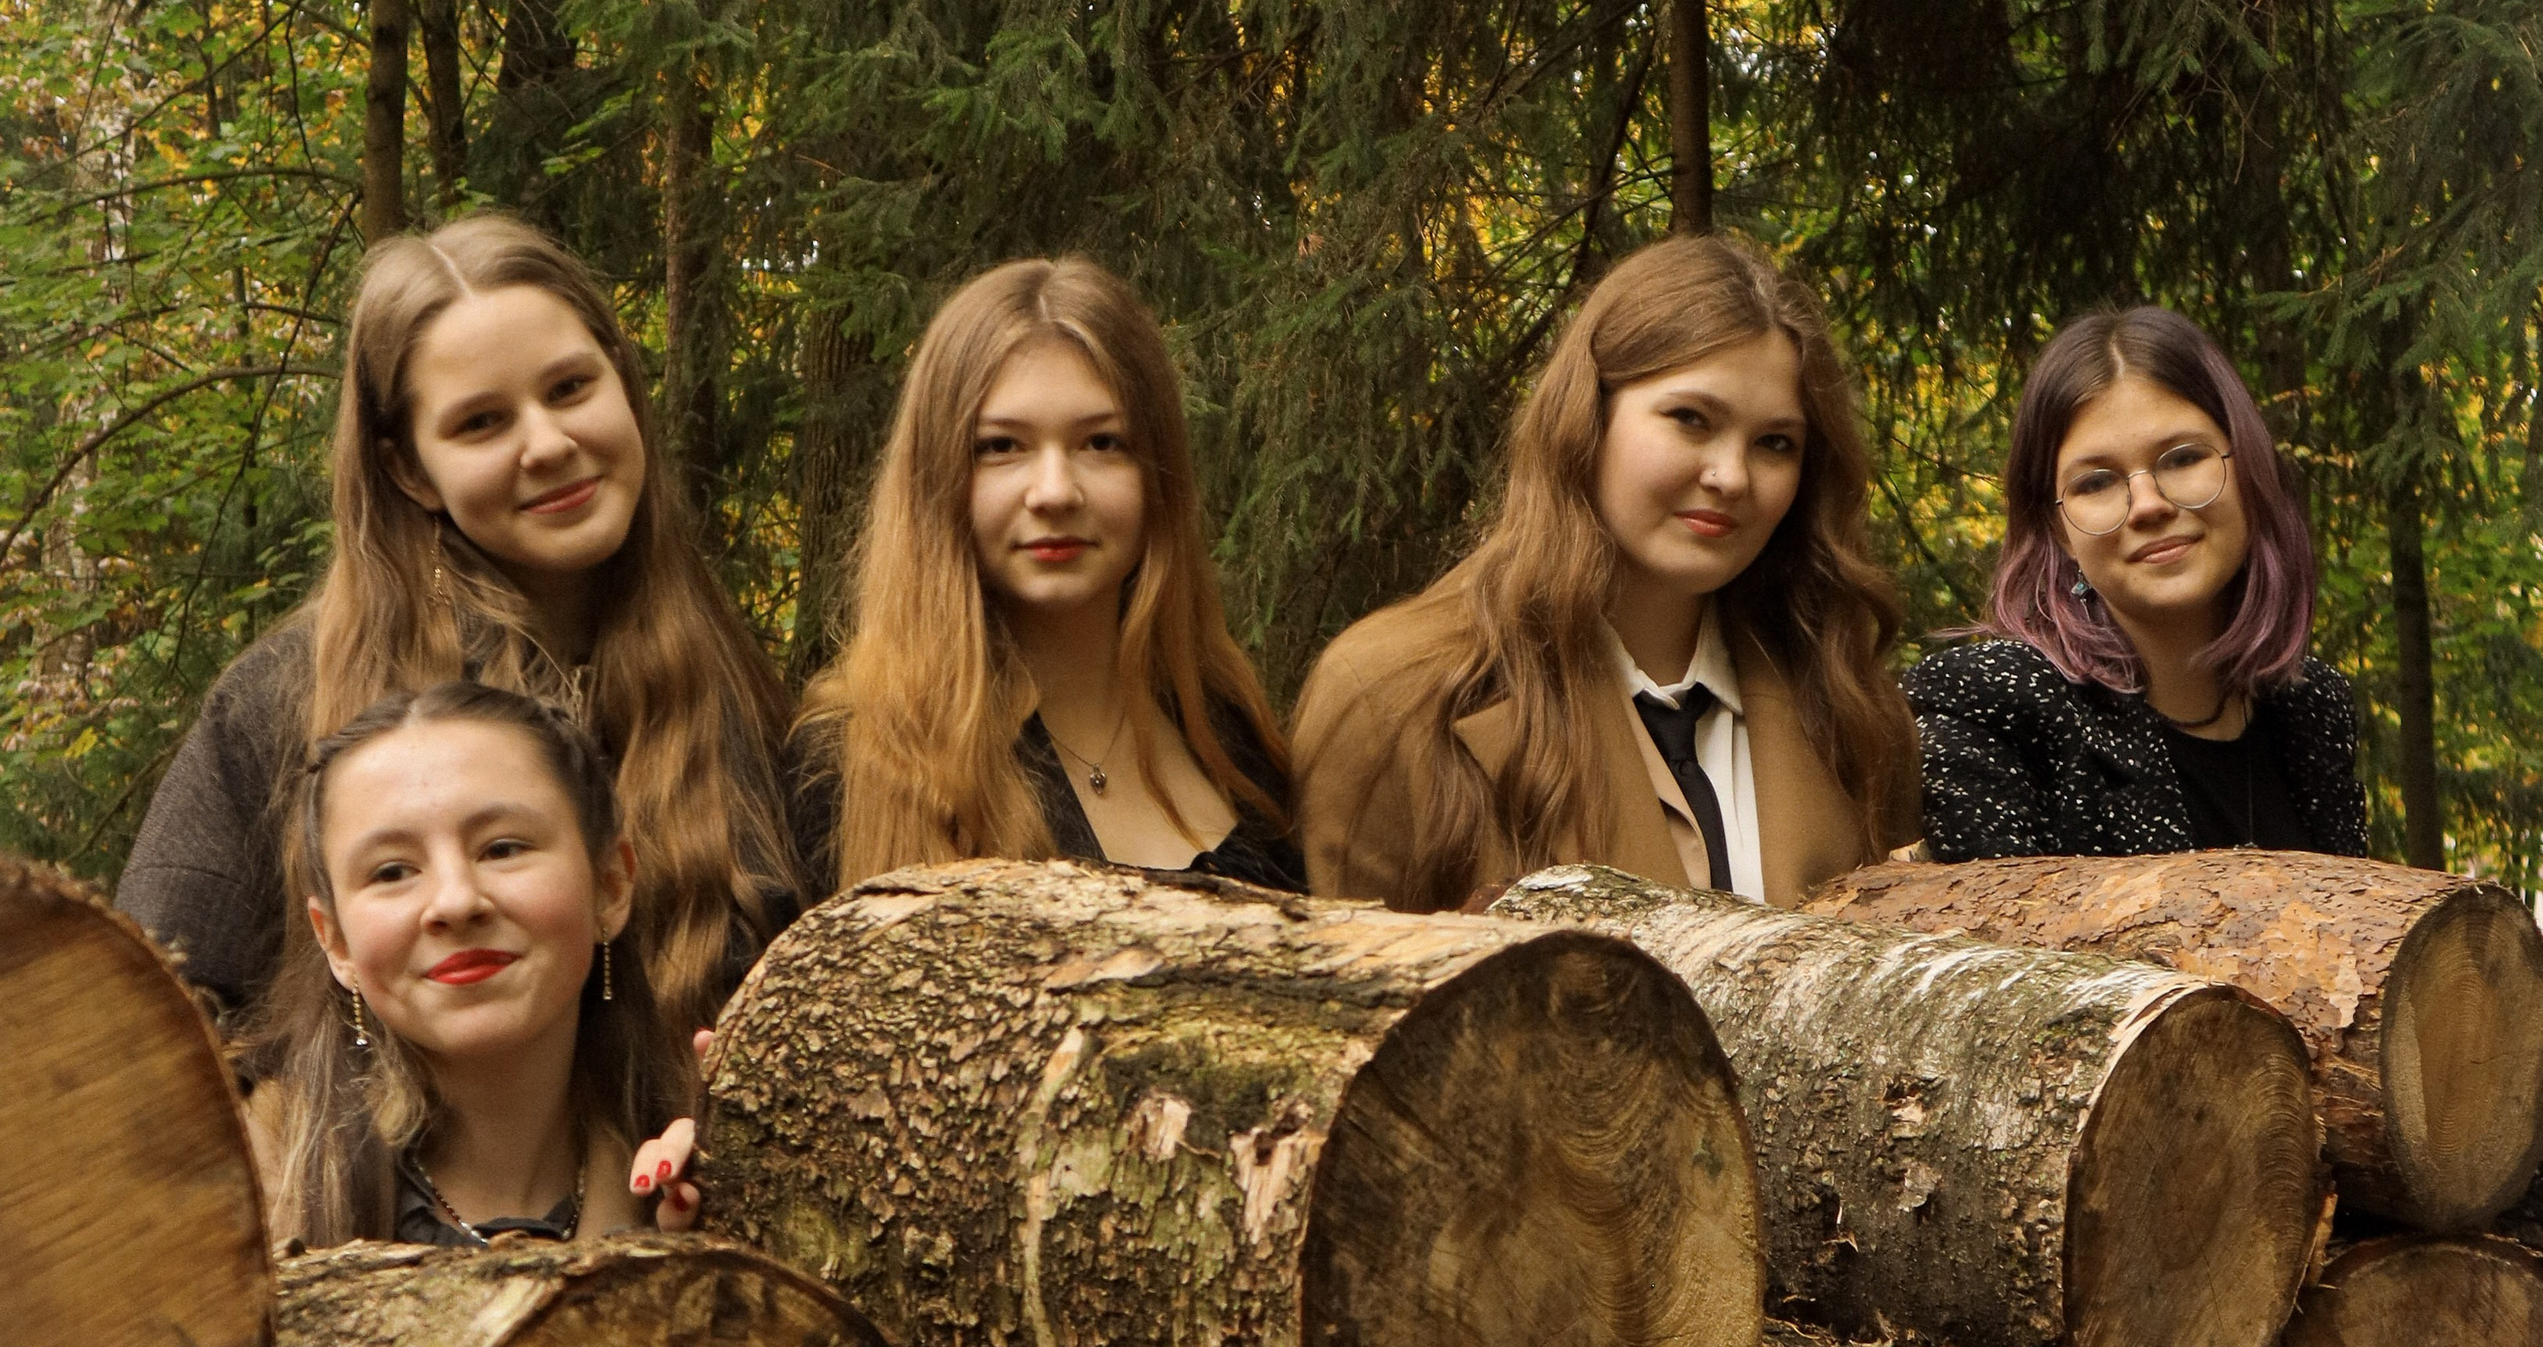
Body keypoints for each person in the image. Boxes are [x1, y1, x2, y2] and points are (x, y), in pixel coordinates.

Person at [118, 215, 801, 1040]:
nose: (547, 444)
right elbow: (144, 1037)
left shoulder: (723, 675)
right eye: (482, 423)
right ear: (410, 468)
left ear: (622, 383)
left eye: (570, 389)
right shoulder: (285, 701)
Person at [1291, 232, 1918, 909]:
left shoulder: (1852, 709)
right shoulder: (1394, 696)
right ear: (1587, 418)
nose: (1732, 476)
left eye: (1774, 443)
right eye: (1691, 419)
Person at [796, 256, 1300, 888]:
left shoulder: (1231, 734)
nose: (1055, 492)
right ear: (937, 482)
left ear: (1157, 476)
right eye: (1002, 447)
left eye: (1101, 443)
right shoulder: (850, 766)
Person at [251, 680, 705, 1251]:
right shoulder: (246, 1201)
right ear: (336, 941)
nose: (456, 902)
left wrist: (716, 1243)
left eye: (502, 848)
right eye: (392, 871)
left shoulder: (692, 1167)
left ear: (610, 887)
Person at [1907, 307, 2366, 859]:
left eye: (2183, 458)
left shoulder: (2311, 710)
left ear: (2249, 471)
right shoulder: (1995, 705)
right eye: (2096, 481)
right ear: (2058, 526)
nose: (2148, 505)